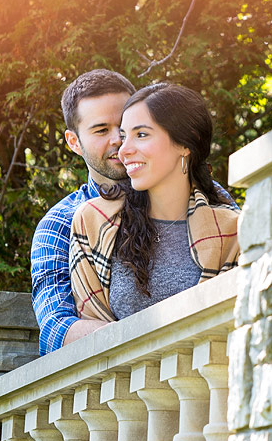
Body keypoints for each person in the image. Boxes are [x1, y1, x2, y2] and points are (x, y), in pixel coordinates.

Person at [30, 69, 236, 353]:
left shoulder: (211, 200)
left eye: (127, 129)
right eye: (102, 130)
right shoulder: (64, 222)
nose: (119, 142)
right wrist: (152, 348)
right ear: (74, 142)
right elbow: (56, 327)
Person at [68, 83, 239, 322]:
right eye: (124, 136)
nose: (123, 149)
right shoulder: (94, 222)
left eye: (141, 135)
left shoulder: (232, 231)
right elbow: (92, 326)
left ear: (185, 143)